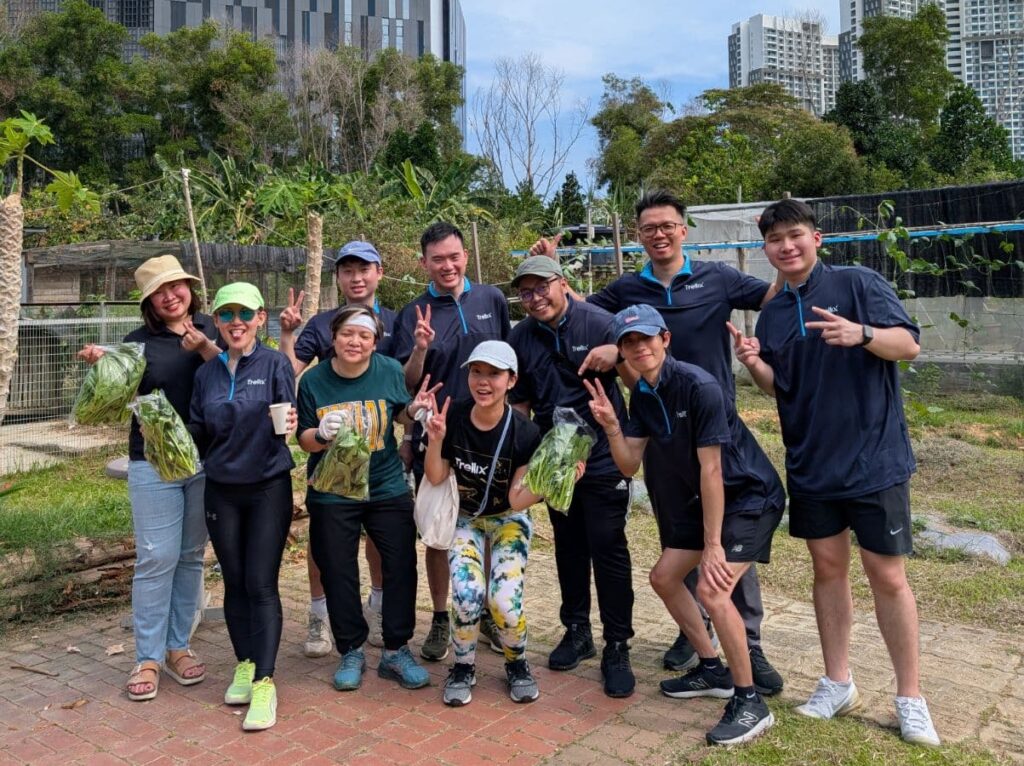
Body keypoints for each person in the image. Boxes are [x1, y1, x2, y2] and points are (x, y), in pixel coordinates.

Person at [530, 188, 785, 695]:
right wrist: (553, 270)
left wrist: (775, 249)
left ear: (683, 230)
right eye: (649, 228)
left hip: (712, 421)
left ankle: (747, 647)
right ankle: (697, 640)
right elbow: (580, 308)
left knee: (726, 545)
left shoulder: (718, 276)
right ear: (641, 235)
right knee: (679, 538)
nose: (659, 234)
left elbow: (772, 297)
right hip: (660, 422)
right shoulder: (628, 289)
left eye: (668, 225)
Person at [734, 198, 940, 747]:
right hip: (811, 464)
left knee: (888, 577)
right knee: (828, 571)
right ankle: (837, 681)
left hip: (874, 461)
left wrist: (862, 334)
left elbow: (910, 345)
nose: (787, 246)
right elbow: (782, 385)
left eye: (796, 235)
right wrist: (756, 365)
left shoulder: (857, 284)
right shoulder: (774, 311)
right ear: (766, 250)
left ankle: (910, 697)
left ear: (816, 237)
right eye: (776, 240)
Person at [588, 304, 785, 746]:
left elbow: (712, 470)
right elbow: (627, 464)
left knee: (713, 590)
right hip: (710, 498)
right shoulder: (642, 393)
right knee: (664, 577)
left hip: (751, 496)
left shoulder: (700, 386)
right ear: (622, 352)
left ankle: (750, 700)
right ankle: (711, 667)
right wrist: (613, 427)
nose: (640, 348)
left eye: (646, 339)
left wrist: (713, 545)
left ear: (665, 340)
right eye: (629, 343)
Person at [78, 255, 219, 703]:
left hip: (205, 459)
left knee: (191, 555)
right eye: (160, 291)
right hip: (153, 462)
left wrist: (203, 348)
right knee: (156, 557)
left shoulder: (214, 329)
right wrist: (104, 366)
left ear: (189, 289)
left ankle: (178, 646)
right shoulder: (136, 343)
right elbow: (110, 399)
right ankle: (147, 656)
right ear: (149, 302)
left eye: (176, 285)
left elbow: (235, 373)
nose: (170, 295)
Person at [507, 255, 637, 698]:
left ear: (562, 284)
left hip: (602, 456)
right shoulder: (521, 337)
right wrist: (523, 459)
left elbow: (641, 374)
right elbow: (521, 407)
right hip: (555, 460)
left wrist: (618, 351)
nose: (535, 297)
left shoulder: (599, 322)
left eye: (542, 286)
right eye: (525, 291)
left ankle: (617, 643)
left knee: (608, 546)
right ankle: (577, 630)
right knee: (569, 546)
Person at [296, 304, 433, 693]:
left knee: (400, 564)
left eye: (364, 336)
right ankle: (351, 649)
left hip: (385, 485)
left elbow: (400, 414)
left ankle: (395, 649)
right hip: (333, 490)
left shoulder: (389, 369)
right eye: (347, 334)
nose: (355, 342)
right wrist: (320, 435)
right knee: (337, 568)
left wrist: (415, 411)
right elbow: (303, 439)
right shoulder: (313, 381)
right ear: (334, 338)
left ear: (374, 342)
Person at [393, 221, 511, 662]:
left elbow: (505, 363)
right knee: (440, 533)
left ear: (465, 257)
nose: (447, 265)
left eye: (454, 256)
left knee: (487, 525)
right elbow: (407, 385)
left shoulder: (491, 299)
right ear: (423, 262)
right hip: (438, 435)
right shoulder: (413, 313)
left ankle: (482, 615)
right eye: (437, 258)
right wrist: (420, 348)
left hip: (489, 437)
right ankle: (443, 617)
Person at [189, 282, 297, 732]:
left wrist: (290, 420)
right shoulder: (206, 374)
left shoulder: (273, 364)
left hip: (268, 486)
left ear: (260, 320)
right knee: (233, 581)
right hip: (221, 490)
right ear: (216, 321)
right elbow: (197, 428)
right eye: (227, 314)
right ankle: (245, 664)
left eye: (245, 314)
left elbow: (289, 415)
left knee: (260, 583)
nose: (236, 322)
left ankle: (266, 683)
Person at [279, 240, 396, 657]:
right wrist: (288, 334)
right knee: (325, 541)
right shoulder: (321, 322)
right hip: (330, 458)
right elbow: (286, 372)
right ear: (339, 277)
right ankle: (319, 613)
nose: (356, 277)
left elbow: (401, 388)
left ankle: (379, 606)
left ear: (379, 272)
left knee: (381, 537)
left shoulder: (395, 322)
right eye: (347, 270)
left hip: (381, 457)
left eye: (364, 269)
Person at [422, 341, 547, 706]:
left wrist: (552, 480)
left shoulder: (524, 432)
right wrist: (436, 440)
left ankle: (517, 662)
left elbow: (517, 500)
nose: (483, 381)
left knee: (505, 602)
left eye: (494, 374)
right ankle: (463, 665)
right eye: (477, 372)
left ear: (511, 381)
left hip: (508, 520)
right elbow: (434, 476)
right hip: (466, 519)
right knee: (467, 594)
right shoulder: (455, 416)